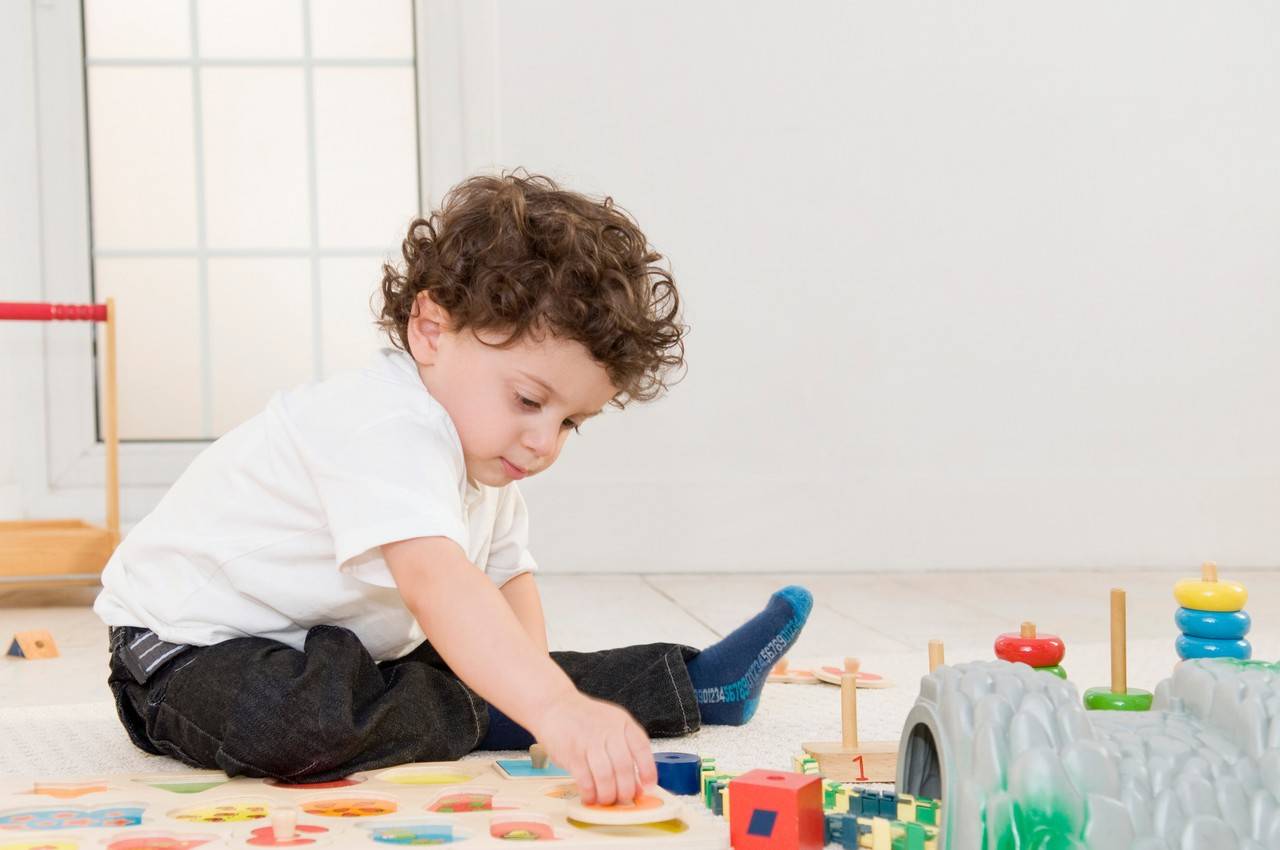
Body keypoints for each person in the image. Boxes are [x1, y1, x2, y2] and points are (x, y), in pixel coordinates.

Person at [94, 171, 812, 804]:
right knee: (306, 725)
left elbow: (507, 586)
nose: (544, 441)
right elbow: (439, 584)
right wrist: (549, 706)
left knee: (505, 669)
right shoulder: (386, 423)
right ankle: (493, 707)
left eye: (573, 423)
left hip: (339, 654)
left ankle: (696, 684)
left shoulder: (488, 458)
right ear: (431, 329)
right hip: (183, 656)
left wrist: (540, 700)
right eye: (530, 401)